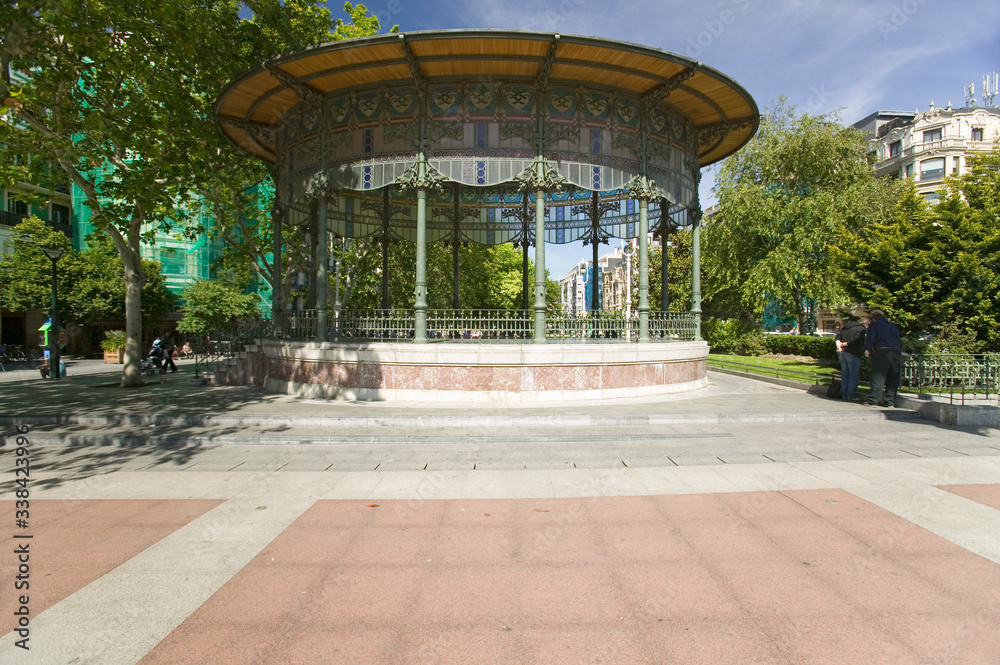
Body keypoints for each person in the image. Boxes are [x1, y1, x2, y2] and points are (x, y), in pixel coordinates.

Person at [864, 309, 902, 408]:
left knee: (878, 376)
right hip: (896, 352)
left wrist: (867, 349)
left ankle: (873, 401)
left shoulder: (874, 324)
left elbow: (870, 338)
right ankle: (890, 402)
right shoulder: (893, 325)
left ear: (873, 318)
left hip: (882, 352)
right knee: (893, 377)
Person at [835, 315, 867, 402]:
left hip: (842, 353)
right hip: (853, 353)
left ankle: (844, 395)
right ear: (865, 324)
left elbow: (837, 337)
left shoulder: (845, 327)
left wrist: (839, 346)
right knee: (853, 376)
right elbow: (857, 339)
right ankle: (851, 395)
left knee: (845, 375)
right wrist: (846, 344)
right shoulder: (861, 329)